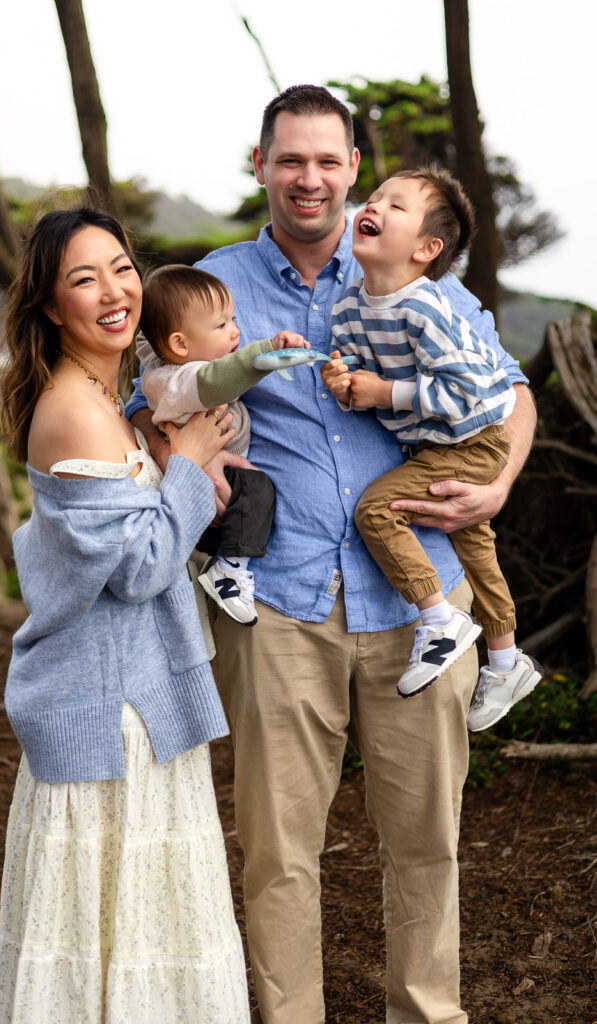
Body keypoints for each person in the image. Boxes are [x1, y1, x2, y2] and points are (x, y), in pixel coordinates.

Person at [127, 85, 537, 1024]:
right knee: (277, 852)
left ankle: (427, 1013)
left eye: (327, 160)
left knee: (427, 842)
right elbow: (148, 404)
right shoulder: (209, 283)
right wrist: (188, 463)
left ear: (353, 169)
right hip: (274, 606)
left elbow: (509, 390)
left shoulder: (412, 273)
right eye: (289, 160)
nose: (308, 178)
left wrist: (500, 481)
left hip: (420, 597)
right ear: (262, 165)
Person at [0, 207, 250, 1024]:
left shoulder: (110, 399)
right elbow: (138, 569)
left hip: (133, 697)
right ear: (51, 306)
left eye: (122, 267)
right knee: (115, 930)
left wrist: (181, 470)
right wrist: (190, 467)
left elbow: (138, 542)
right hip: (110, 714)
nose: (114, 291)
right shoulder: (75, 410)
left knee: (140, 929)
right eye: (83, 278)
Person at [320, 166, 542, 726]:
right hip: (436, 445)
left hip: (475, 438)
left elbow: (466, 390)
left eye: (396, 206)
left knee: (377, 510)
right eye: (373, 198)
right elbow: (359, 381)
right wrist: (346, 384)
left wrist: (381, 391)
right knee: (476, 549)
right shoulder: (348, 307)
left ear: (426, 248)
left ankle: (439, 620)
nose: (373, 206)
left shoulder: (426, 307)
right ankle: (506, 659)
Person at [137, 263, 308, 626]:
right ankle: (230, 570)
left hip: (216, 476)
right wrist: (267, 352)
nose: (236, 331)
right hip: (207, 479)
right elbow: (219, 381)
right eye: (222, 325)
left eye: (233, 320)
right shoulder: (179, 379)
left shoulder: (176, 365)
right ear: (179, 344)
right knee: (258, 489)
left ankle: (223, 563)